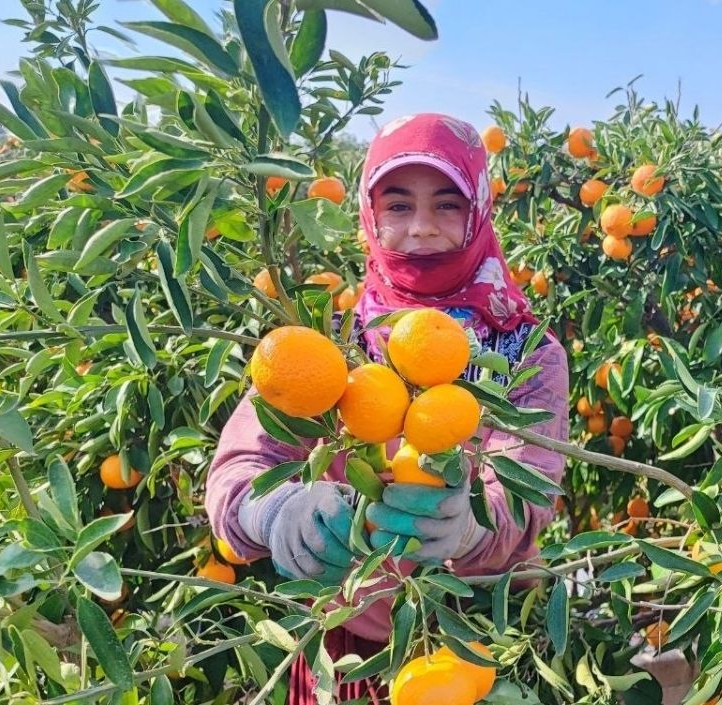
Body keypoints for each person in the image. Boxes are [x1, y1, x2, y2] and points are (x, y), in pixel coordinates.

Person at [205, 113, 571, 704]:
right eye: (398, 206)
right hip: (342, 647)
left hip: (465, 646)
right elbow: (243, 466)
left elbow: (527, 496)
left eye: (448, 205)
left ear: (479, 211)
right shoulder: (333, 339)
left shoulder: (525, 351)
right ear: (369, 217)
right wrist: (275, 515)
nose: (422, 228)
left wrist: (472, 526)